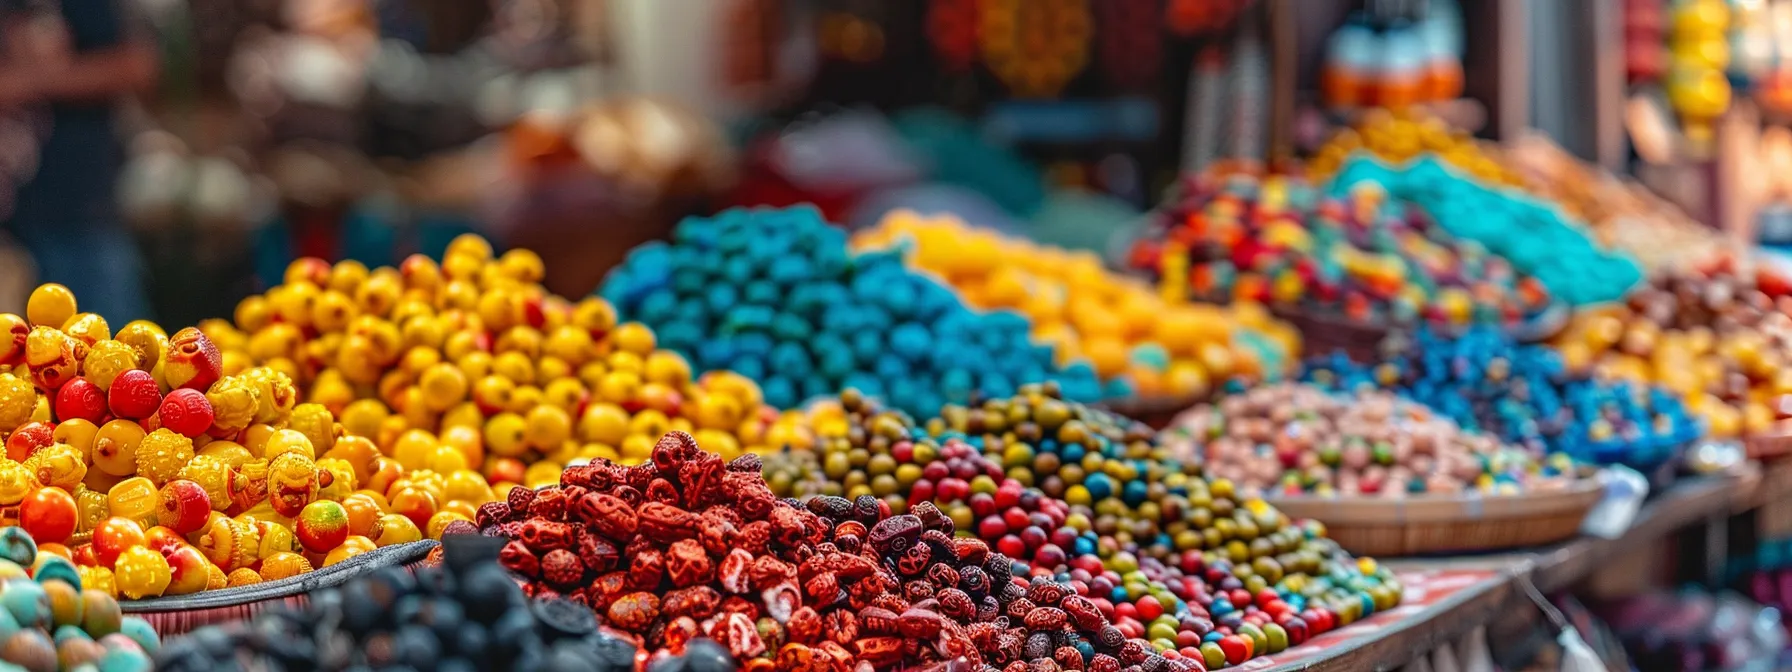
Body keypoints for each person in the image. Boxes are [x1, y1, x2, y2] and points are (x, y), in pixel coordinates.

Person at [0, 0, 157, 323]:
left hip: (76, 206)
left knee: (110, 347)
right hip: (16, 207)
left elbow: (137, 64)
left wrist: (28, 81)